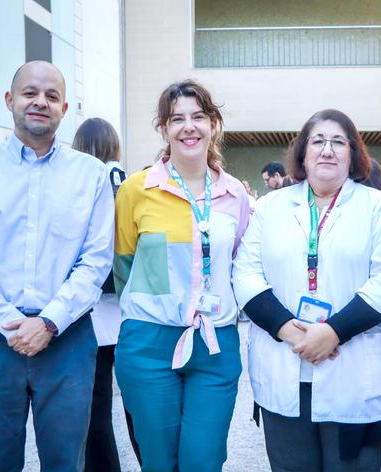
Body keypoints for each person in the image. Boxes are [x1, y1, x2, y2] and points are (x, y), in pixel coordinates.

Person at [0, 61, 114, 472]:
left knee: (65, 462)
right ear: (10, 100)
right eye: (30, 93)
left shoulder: (90, 174)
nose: (40, 102)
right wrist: (10, 324)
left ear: (64, 108)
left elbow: (95, 260)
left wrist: (50, 321)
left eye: (51, 96)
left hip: (67, 337)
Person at [233, 109, 381, 471]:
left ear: (353, 154)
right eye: (318, 141)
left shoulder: (378, 208)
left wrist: (332, 333)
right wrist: (290, 331)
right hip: (285, 363)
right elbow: (246, 274)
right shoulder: (270, 208)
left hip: (353, 370)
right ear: (302, 153)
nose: (327, 150)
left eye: (338, 142)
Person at [114, 79, 250, 471]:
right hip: (149, 341)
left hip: (215, 341)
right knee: (158, 461)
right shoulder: (136, 190)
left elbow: (235, 264)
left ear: (213, 124)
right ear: (164, 129)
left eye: (198, 117)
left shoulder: (235, 194)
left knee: (203, 459)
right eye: (177, 119)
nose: (188, 127)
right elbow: (124, 265)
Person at [72, 117, 126, 472]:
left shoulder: (80, 182)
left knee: (96, 405)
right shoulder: (128, 180)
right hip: (129, 307)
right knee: (140, 406)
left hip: (90, 310)